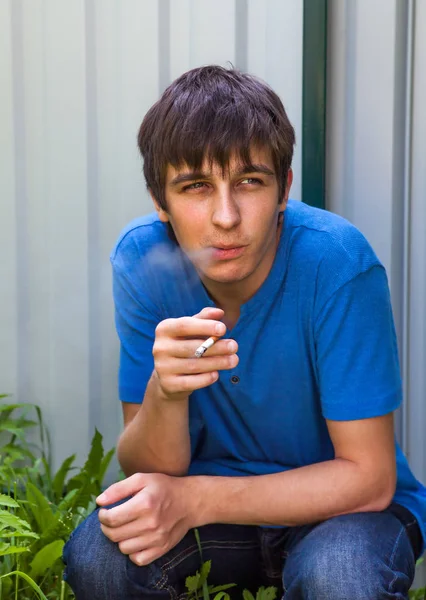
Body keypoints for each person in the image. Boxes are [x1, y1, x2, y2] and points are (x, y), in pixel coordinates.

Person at [62, 65, 426, 599]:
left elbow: (368, 480)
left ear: (284, 190)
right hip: (214, 517)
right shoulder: (144, 260)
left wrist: (197, 501)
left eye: (249, 181)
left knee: (340, 576)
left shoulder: (338, 264)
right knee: (99, 553)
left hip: (340, 513)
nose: (226, 217)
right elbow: (146, 466)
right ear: (160, 201)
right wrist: (164, 392)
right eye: (196, 187)